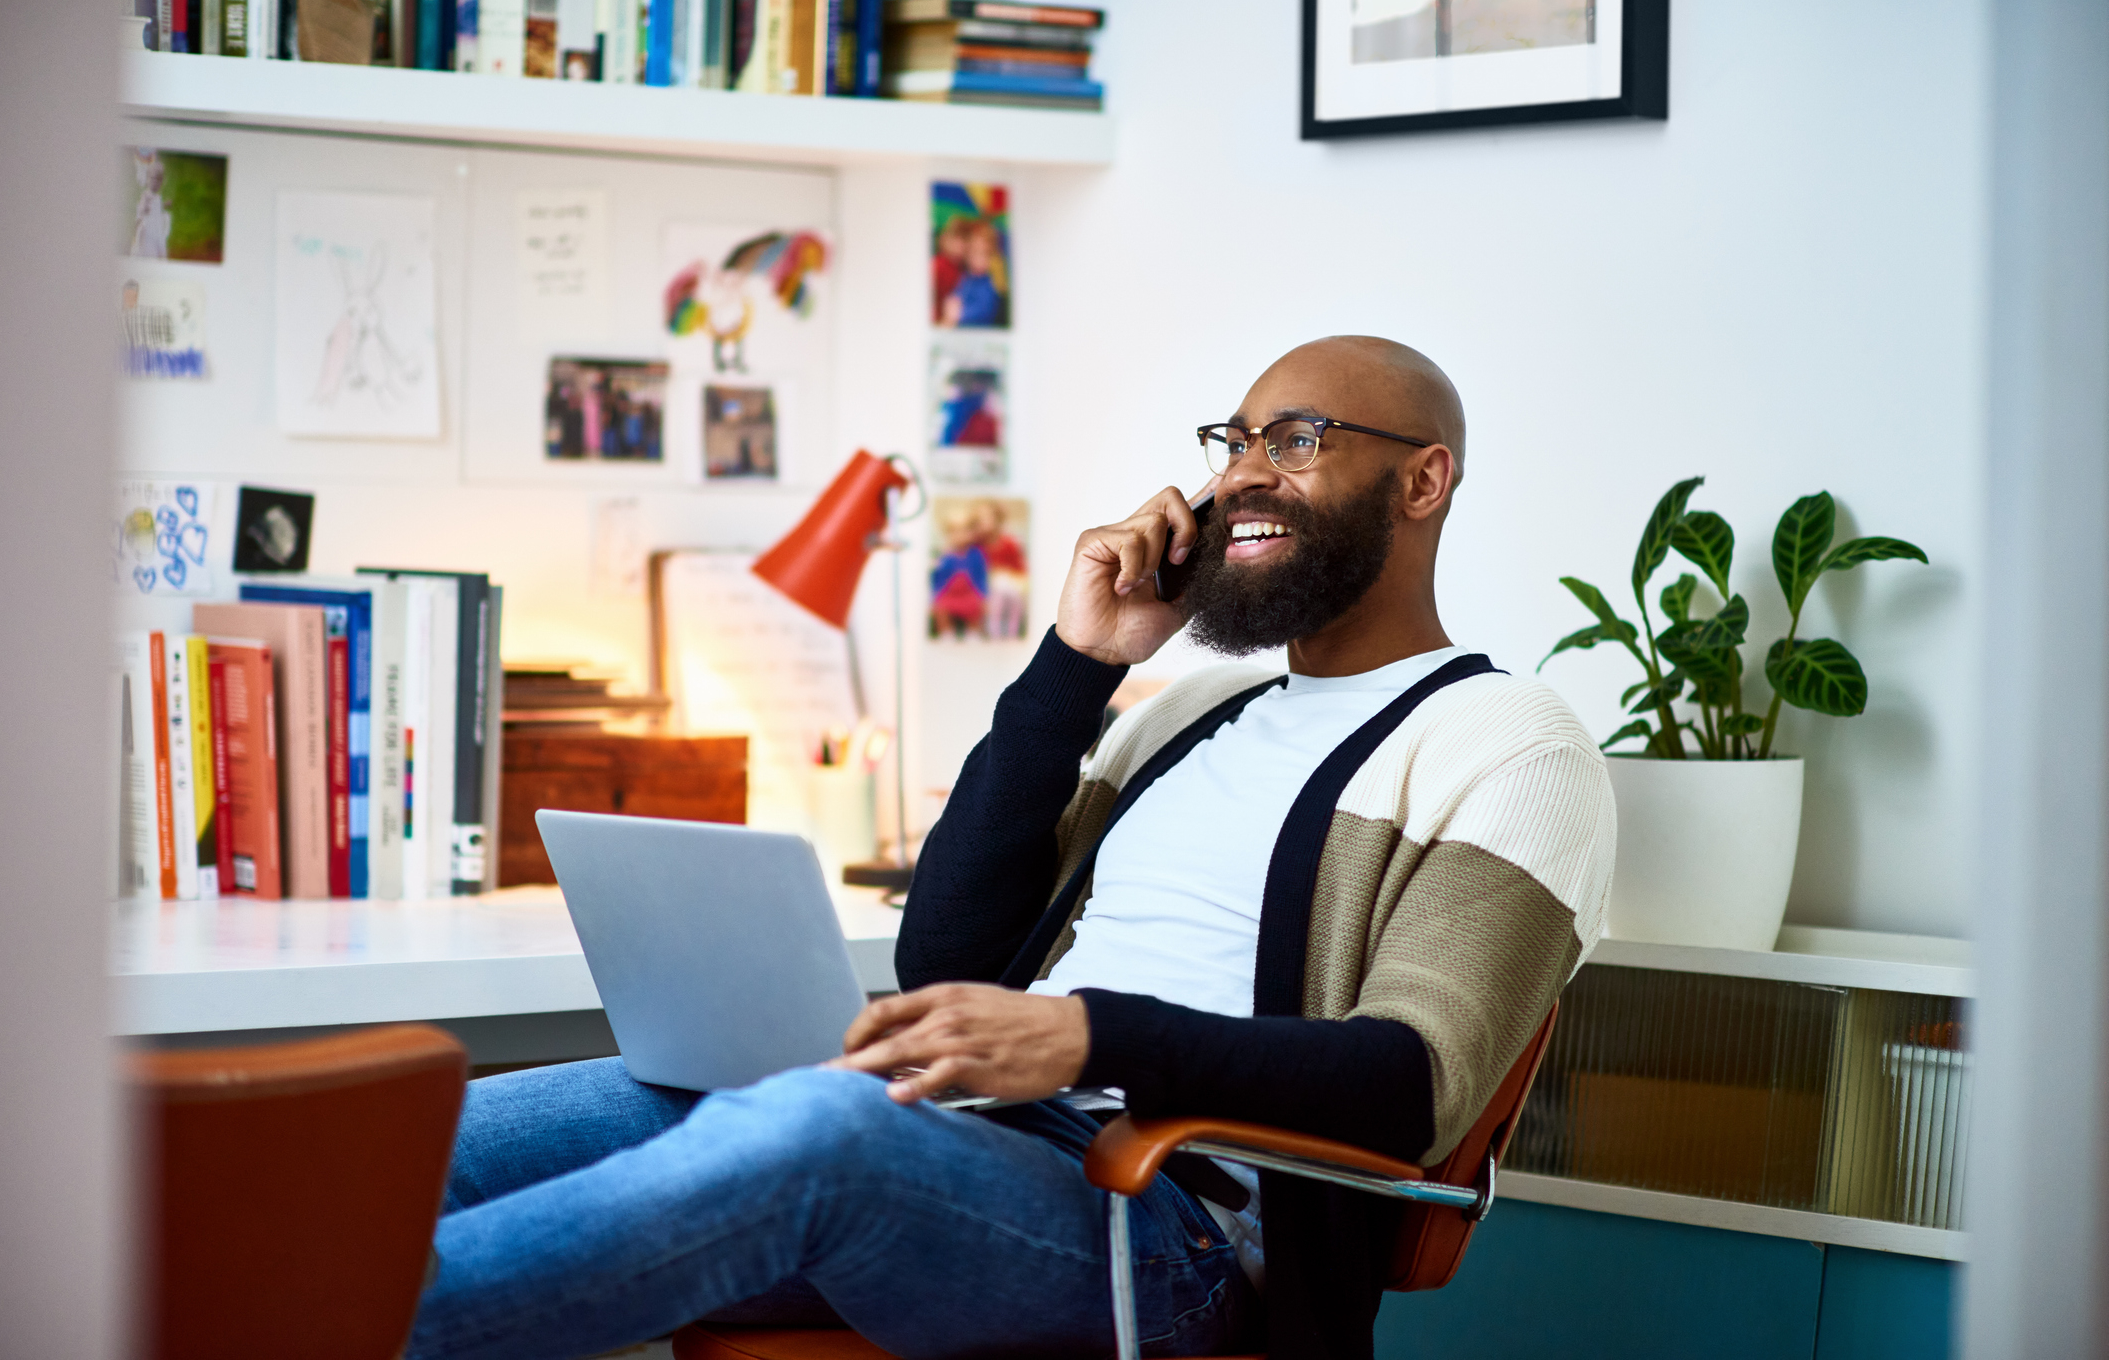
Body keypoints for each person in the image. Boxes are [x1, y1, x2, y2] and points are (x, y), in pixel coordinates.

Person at [405, 336, 1615, 1360]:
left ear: (1422, 481)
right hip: (966, 1143)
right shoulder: (1184, 712)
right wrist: (1078, 661)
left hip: (1165, 1222)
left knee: (815, 1134)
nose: (1241, 477)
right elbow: (951, 952)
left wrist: (1087, 1034)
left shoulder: (1508, 745)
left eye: (1293, 440)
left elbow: (1407, 1081)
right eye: (1232, 442)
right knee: (437, 1137)